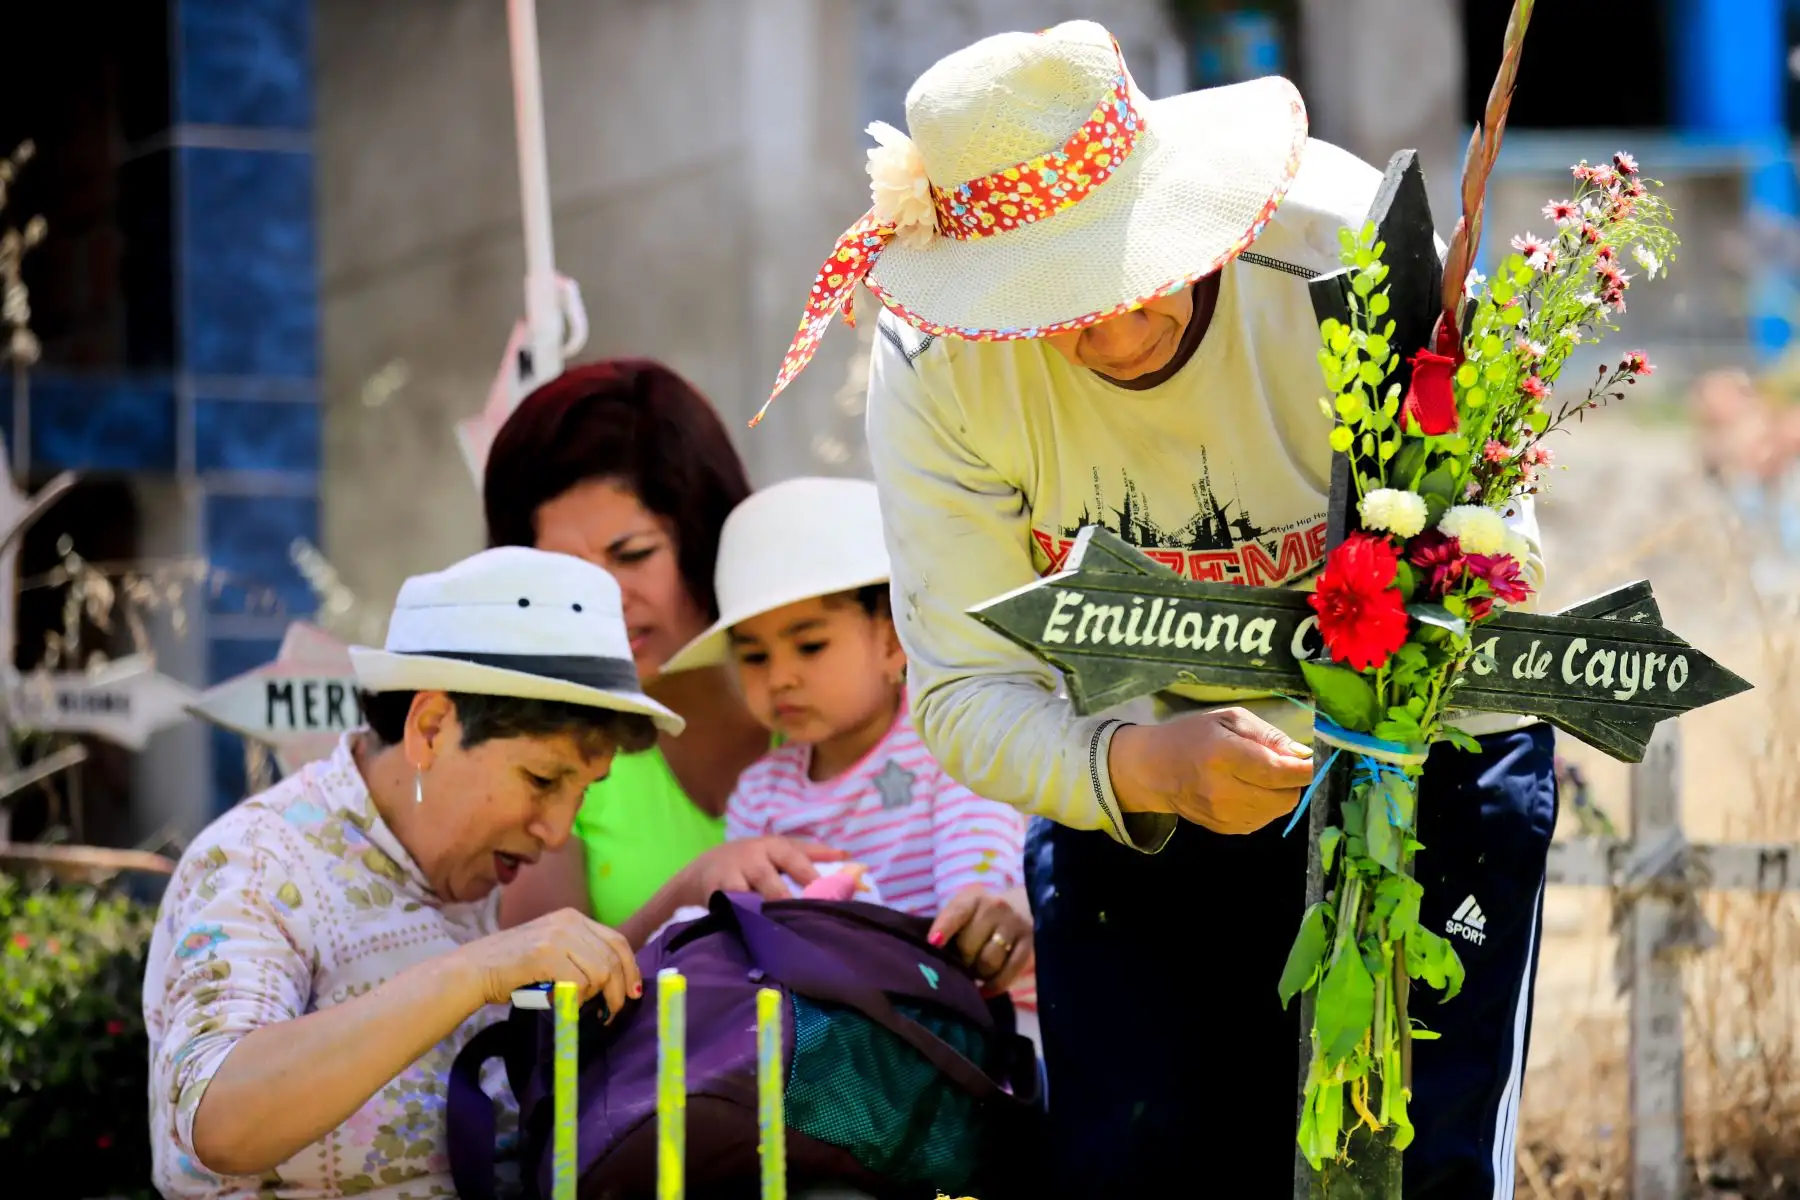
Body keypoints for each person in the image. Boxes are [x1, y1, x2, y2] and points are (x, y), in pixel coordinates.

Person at [759, 21, 1557, 1200]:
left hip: (1422, 759)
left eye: (1127, 272)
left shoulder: (1345, 246)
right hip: (1135, 780)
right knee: (1142, 1160)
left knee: (1409, 1167)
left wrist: (1369, 731)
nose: (1115, 330)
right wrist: (1149, 767)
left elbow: (1505, 557)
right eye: (1051, 303)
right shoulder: (938, 366)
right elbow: (969, 686)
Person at [144, 547, 676, 1199]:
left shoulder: (466, 882)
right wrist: (475, 972)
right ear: (429, 728)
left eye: (584, 790)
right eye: (542, 778)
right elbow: (218, 1120)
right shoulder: (259, 860)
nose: (558, 830)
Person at [483, 360, 846, 945]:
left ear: (705, 533)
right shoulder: (543, 749)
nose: (600, 599)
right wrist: (687, 898)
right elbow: (536, 1003)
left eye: (632, 555)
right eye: (563, 572)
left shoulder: (851, 691)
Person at [661, 476, 1034, 998]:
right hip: (825, 1044)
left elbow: (973, 905)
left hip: (955, 1022)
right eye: (754, 656)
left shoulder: (947, 747)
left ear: (893, 638)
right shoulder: (759, 794)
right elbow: (743, 931)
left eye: (809, 646)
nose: (780, 677)